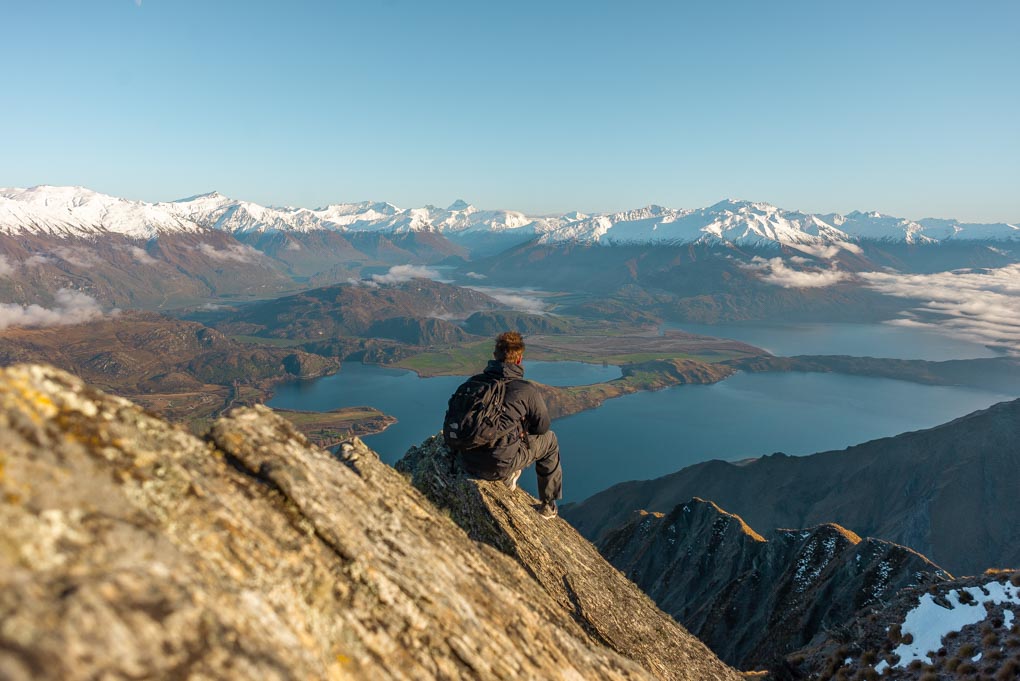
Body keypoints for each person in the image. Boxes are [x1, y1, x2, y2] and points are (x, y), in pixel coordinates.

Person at [454, 331, 562, 519]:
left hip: (466, 459)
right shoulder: (525, 390)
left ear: (495, 356)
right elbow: (542, 427)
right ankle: (547, 504)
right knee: (550, 440)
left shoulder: (473, 383)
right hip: (498, 466)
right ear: (519, 360)